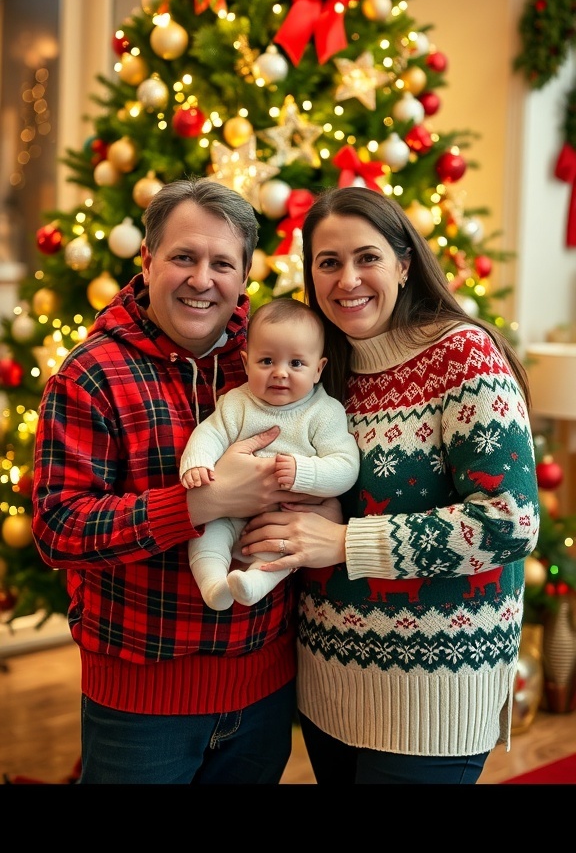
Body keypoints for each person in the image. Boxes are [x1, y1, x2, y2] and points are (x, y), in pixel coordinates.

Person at [31, 177, 338, 786]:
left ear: (245, 275)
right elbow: (57, 529)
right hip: (140, 706)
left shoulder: (273, 357)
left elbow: (339, 447)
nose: (203, 280)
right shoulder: (91, 375)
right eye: (183, 257)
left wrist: (323, 515)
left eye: (222, 263)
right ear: (146, 262)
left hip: (264, 691)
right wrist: (203, 503)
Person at [239, 186, 540, 785]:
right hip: (329, 683)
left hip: (434, 691)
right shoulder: (322, 371)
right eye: (328, 262)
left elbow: (510, 522)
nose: (348, 279)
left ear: (404, 264)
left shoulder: (461, 356)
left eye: (367, 257)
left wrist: (342, 542)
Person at [182, 298, 359, 610]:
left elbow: (345, 467)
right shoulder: (237, 403)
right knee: (206, 534)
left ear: (318, 369)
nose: (280, 373)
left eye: (296, 364)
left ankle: (254, 583)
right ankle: (213, 584)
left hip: (284, 516)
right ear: (247, 362)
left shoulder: (323, 412)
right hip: (227, 510)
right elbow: (210, 432)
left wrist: (305, 472)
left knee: (286, 547)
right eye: (266, 362)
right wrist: (197, 461)